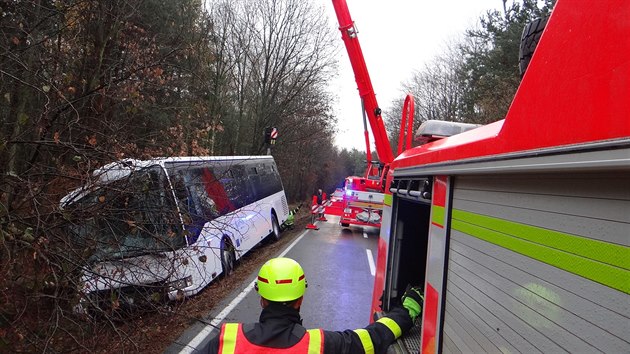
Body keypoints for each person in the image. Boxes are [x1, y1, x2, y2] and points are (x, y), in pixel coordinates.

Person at [206, 257, 424, 353]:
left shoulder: (226, 340)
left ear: (262, 299)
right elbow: (374, 338)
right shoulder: (320, 344)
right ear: (300, 299)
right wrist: (407, 310)